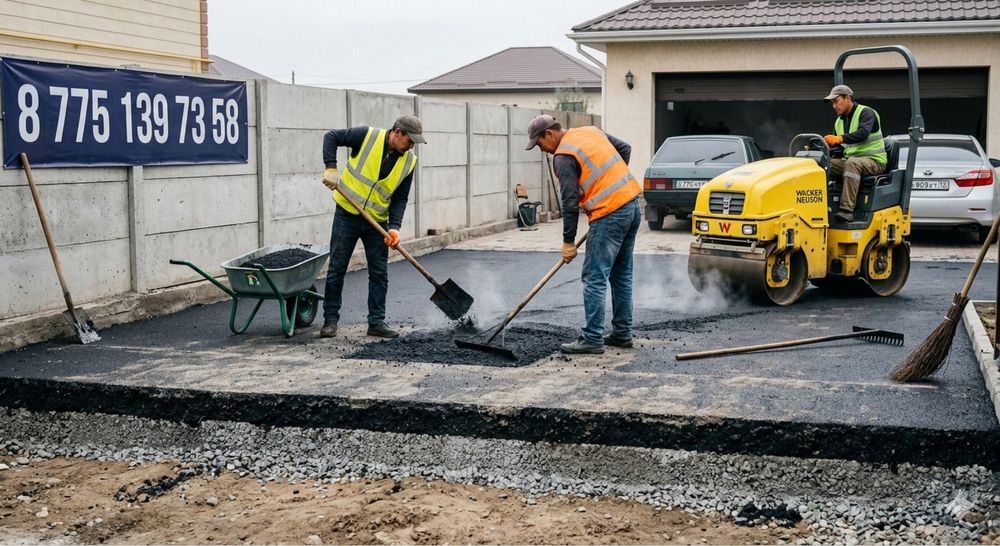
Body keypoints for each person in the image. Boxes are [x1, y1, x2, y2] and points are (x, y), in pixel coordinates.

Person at [525, 115, 642, 354]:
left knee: (594, 276)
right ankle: (622, 333)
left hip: (610, 212)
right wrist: (612, 184)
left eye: (539, 144)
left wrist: (568, 242)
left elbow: (569, 202)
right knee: (621, 275)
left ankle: (591, 338)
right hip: (631, 205)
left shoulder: (563, 156)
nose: (542, 150)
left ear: (549, 134)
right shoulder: (590, 131)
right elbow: (625, 148)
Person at [318, 115, 425, 339]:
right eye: (410, 140)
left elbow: (400, 198)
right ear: (397, 133)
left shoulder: (409, 162)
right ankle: (330, 321)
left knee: (379, 273)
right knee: (337, 268)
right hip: (347, 214)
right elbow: (331, 137)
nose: (412, 146)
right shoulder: (367, 136)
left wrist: (394, 227)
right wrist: (330, 168)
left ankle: (376, 322)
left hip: (377, 221)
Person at [823, 84, 887, 223]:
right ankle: (821, 207)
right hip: (852, 160)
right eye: (832, 103)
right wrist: (822, 147)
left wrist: (839, 138)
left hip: (874, 162)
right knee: (822, 164)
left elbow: (863, 133)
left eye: (836, 101)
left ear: (848, 98)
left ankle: (846, 210)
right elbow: (839, 148)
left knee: (852, 164)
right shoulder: (839, 121)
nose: (834, 106)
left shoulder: (866, 113)